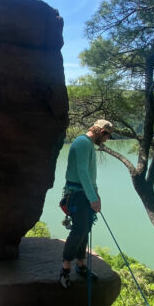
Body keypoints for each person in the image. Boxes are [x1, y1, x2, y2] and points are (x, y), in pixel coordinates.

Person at [59, 119, 114, 288]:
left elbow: (90, 174)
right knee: (78, 231)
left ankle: (81, 265)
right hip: (77, 194)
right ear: (99, 131)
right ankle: (65, 271)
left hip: (84, 193)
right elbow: (82, 171)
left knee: (85, 230)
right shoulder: (82, 143)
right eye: (106, 135)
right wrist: (92, 198)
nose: (106, 139)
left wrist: (96, 195)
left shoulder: (88, 144)